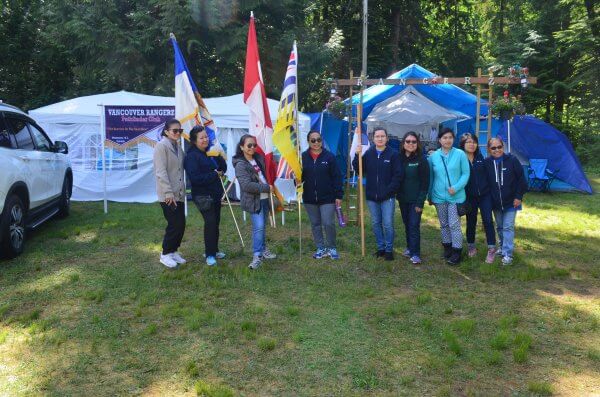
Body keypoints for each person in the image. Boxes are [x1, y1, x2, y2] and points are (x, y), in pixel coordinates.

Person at [352, 127, 403, 261]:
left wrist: (388, 191)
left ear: (387, 138)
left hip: (387, 197)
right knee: (375, 223)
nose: (380, 139)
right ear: (373, 139)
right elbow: (359, 169)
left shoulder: (393, 154)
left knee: (387, 224)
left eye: (382, 136)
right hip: (371, 196)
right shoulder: (369, 153)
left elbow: (398, 176)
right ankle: (380, 248)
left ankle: (389, 249)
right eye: (377, 136)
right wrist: (357, 155)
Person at [184, 125, 227, 266]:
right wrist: (214, 174)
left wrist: (219, 157)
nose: (205, 139)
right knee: (210, 223)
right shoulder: (191, 156)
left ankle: (213, 250)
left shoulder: (209, 152)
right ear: (194, 140)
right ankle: (209, 255)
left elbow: (223, 169)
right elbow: (195, 178)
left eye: (206, 136)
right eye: (201, 137)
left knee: (216, 222)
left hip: (215, 194)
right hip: (202, 196)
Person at [233, 134, 276, 269]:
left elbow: (266, 173)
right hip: (253, 200)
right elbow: (246, 186)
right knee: (259, 227)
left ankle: (263, 250)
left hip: (264, 198)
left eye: (254, 145)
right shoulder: (240, 165)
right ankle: (257, 255)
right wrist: (266, 187)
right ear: (242, 147)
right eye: (249, 145)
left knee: (262, 227)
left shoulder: (259, 158)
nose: (252, 148)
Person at [428, 127, 470, 265]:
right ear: (439, 140)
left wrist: (456, 187)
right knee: (444, 224)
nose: (447, 140)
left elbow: (465, 174)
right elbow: (431, 177)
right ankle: (447, 248)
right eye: (444, 138)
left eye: (450, 137)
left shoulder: (460, 154)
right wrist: (430, 195)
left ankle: (457, 251)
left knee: (454, 224)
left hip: (456, 197)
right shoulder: (433, 157)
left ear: (453, 139)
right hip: (439, 196)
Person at [484, 137, 527, 265]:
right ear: (488, 149)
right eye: (493, 148)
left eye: (499, 147)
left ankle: (508, 254)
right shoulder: (487, 163)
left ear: (503, 147)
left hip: (511, 202)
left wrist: (518, 197)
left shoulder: (512, 160)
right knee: (500, 227)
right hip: (496, 203)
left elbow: (522, 181)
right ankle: (502, 247)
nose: (497, 150)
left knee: (508, 227)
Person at [301, 131, 343, 260]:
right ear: (308, 141)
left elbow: (337, 177)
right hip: (309, 197)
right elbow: (298, 176)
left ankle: (332, 247)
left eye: (318, 140)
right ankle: (320, 247)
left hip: (327, 197)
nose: (316, 143)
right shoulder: (302, 157)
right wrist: (295, 180)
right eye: (313, 140)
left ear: (321, 141)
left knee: (328, 223)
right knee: (315, 224)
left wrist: (338, 195)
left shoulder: (329, 157)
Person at [153, 118, 186, 268]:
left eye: (180, 130)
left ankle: (173, 251)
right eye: (175, 130)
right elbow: (160, 172)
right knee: (174, 224)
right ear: (166, 132)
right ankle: (165, 254)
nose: (178, 133)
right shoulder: (161, 147)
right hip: (168, 194)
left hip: (178, 193)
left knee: (181, 224)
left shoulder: (178, 147)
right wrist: (168, 192)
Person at [459, 133, 497, 263]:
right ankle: (471, 246)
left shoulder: (482, 159)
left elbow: (490, 178)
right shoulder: (460, 160)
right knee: (471, 222)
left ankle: (492, 249)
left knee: (487, 220)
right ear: (463, 144)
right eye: (468, 142)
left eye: (474, 142)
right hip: (469, 197)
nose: (472, 144)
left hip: (485, 196)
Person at [397, 131, 429, 265]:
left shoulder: (421, 160)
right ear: (403, 143)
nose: (411, 144)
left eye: (413, 142)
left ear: (417, 144)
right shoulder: (398, 158)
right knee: (407, 224)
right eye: (408, 141)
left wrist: (420, 202)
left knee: (414, 225)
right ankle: (410, 248)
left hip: (416, 200)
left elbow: (425, 183)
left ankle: (416, 254)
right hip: (403, 199)